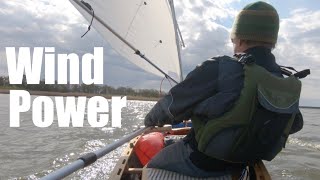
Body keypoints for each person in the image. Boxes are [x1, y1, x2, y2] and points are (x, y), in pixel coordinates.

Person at [144, 1, 305, 178]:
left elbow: (170, 107)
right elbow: (295, 125)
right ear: (272, 42)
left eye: (233, 40)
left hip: (200, 163)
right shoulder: (282, 80)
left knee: (150, 167)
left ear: (240, 38)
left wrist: (150, 120)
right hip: (242, 164)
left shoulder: (221, 67)